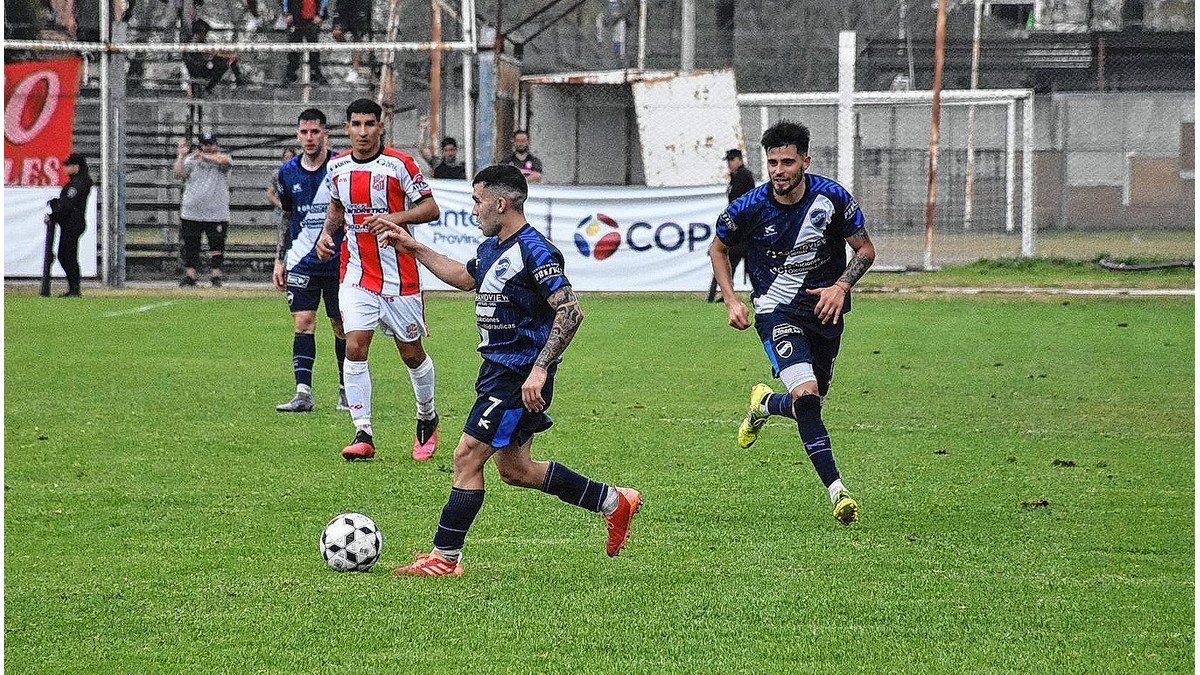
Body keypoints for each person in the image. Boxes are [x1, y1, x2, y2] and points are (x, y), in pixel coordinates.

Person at [381, 165, 642, 577]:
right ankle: (613, 501)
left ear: (501, 204)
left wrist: (539, 370)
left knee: (466, 457)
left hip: (518, 376)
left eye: (477, 201)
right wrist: (412, 247)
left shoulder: (536, 250)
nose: (473, 210)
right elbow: (465, 277)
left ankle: (444, 558)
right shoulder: (492, 248)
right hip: (496, 370)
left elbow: (570, 312)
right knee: (516, 470)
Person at [710, 120, 876, 526]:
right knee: (806, 396)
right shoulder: (748, 207)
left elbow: (866, 250)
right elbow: (718, 249)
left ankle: (765, 404)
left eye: (787, 161)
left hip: (825, 311)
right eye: (772, 163)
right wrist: (732, 299)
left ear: (805, 161)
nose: (779, 171)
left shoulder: (831, 198)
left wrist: (840, 286)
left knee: (811, 402)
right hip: (775, 312)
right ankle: (838, 491)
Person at [314, 98, 442, 461]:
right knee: (355, 346)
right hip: (357, 273)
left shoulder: (399, 165)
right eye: (356, 124)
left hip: (400, 276)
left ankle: (427, 416)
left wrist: (395, 218)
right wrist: (327, 234)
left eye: (370, 124)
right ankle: (363, 432)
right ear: (346, 128)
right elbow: (336, 206)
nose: (363, 131)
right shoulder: (336, 166)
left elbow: (430, 208)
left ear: (381, 126)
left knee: (411, 353)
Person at [273, 109, 349, 413]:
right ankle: (303, 393)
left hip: (337, 260)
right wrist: (280, 259)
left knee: (340, 326)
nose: (309, 138)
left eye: (315, 132)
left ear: (326, 134)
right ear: (297, 134)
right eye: (304, 132)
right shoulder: (287, 172)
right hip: (302, 261)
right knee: (303, 324)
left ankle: (345, 389)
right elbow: (287, 217)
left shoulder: (340, 167)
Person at [175, 132, 233, 287]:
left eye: (211, 144)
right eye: (206, 144)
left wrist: (204, 156)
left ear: (216, 144)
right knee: (191, 245)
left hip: (216, 213)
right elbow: (178, 174)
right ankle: (191, 275)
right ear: (201, 144)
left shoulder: (221, 159)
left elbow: (225, 161)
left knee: (217, 245)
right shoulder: (191, 160)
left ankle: (215, 275)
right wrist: (181, 156)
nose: (209, 147)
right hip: (192, 211)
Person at [707, 148, 756, 303]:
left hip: (742, 229)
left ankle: (715, 294)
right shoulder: (736, 177)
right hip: (739, 227)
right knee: (736, 262)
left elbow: (740, 203)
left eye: (731, 160)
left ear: (739, 160)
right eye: (728, 160)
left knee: (731, 260)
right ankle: (720, 293)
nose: (729, 164)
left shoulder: (743, 176)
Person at [43, 153, 93, 297]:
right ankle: (74, 289)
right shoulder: (79, 181)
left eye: (68, 166)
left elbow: (68, 204)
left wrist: (54, 214)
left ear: (76, 167)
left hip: (72, 224)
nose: (65, 168)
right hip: (72, 223)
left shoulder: (78, 183)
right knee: (67, 256)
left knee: (67, 256)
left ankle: (74, 289)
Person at [183, 19, 243, 95]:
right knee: (224, 62)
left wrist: (228, 55)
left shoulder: (194, 42)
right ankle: (208, 89)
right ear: (201, 32)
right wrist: (229, 56)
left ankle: (238, 82)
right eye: (205, 33)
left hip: (199, 68)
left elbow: (213, 52)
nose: (206, 35)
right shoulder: (195, 44)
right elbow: (212, 53)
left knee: (225, 59)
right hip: (199, 70)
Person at [283, 0, 330, 85]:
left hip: (312, 18)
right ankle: (291, 73)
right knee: (294, 46)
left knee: (314, 47)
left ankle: (315, 72)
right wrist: (287, 13)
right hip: (296, 17)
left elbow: (324, 1)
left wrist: (320, 14)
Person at [331, 0, 371, 84]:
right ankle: (351, 49)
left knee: (358, 37)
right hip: (343, 5)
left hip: (359, 5)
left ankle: (355, 70)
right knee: (336, 33)